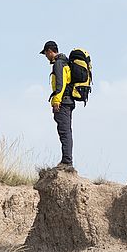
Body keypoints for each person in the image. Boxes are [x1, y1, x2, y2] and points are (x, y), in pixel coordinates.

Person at [39, 40, 76, 172]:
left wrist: (56, 101)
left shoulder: (59, 64)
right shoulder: (65, 62)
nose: (46, 57)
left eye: (46, 54)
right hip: (68, 101)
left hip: (63, 102)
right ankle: (67, 160)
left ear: (50, 51)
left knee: (64, 131)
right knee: (66, 131)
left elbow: (60, 85)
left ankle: (67, 161)